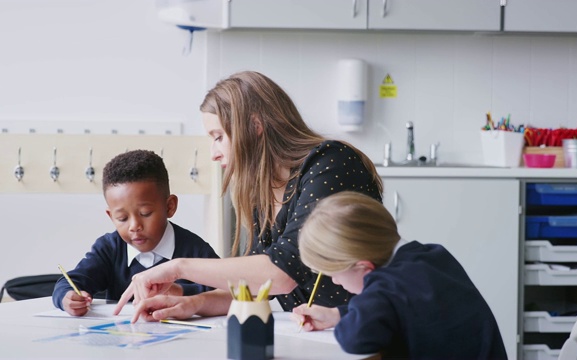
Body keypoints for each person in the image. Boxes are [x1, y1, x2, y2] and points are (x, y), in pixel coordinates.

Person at [114, 70, 383, 322]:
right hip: (319, 332)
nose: (213, 153)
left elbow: (281, 274)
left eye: (218, 137)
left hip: (362, 326)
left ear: (255, 126)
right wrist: (193, 303)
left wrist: (177, 267)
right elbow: (254, 288)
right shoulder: (265, 188)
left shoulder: (330, 163)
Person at [292, 191, 507, 359]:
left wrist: (348, 318)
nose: (335, 282)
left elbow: (355, 338)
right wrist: (337, 315)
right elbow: (396, 307)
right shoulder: (432, 255)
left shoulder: (385, 286)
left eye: (333, 275)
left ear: (364, 267)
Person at [52, 149, 220, 316]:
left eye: (145, 214)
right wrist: (67, 297)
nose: (134, 226)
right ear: (111, 216)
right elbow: (72, 281)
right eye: (122, 218)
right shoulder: (109, 248)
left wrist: (180, 291)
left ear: (169, 207)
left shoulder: (195, 250)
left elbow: (226, 289)